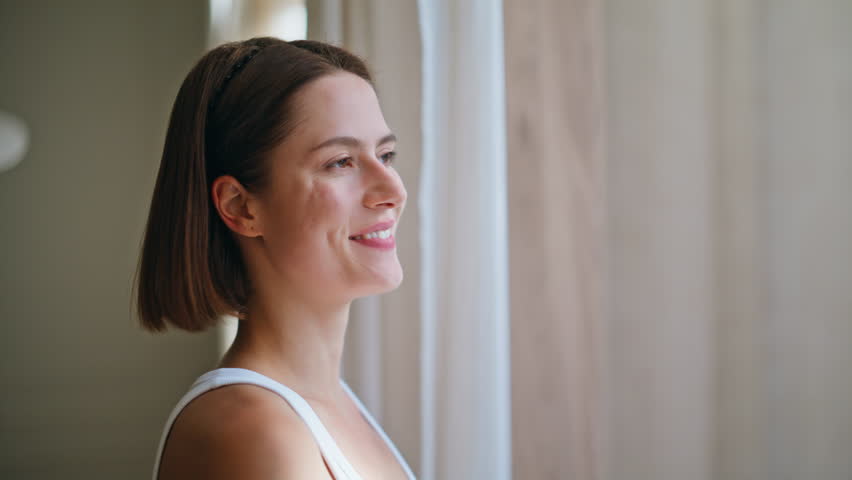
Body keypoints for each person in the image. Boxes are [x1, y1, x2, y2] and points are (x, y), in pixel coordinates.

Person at [135, 37, 415, 480]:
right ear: (241, 207)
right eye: (341, 161)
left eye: (385, 155)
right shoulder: (254, 429)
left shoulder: (329, 405)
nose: (393, 191)